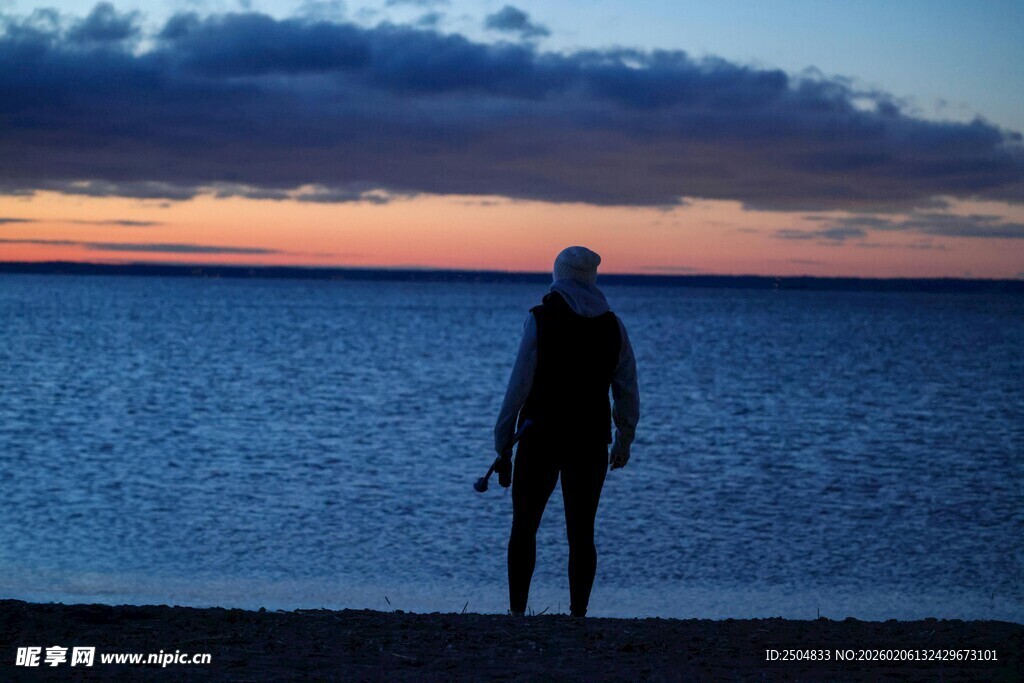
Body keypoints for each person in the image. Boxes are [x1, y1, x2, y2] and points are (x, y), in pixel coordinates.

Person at [494, 245, 640, 618]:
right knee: (582, 532)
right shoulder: (613, 325)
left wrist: (503, 441)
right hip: (590, 439)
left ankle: (516, 614)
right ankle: (578, 615)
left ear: (558, 274)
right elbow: (627, 389)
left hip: (540, 435)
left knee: (524, 526)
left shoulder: (540, 319)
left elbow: (518, 385)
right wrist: (624, 439)